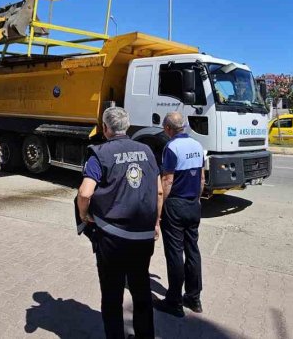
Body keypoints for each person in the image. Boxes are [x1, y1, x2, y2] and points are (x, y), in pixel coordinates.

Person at [77, 107, 163, 339]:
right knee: (141, 288)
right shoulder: (147, 151)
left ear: (105, 128)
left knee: (112, 294)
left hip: (112, 237)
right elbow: (159, 191)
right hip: (143, 236)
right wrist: (156, 223)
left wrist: (84, 215)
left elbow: (85, 193)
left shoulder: (99, 153)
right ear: (128, 125)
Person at [154, 112, 204, 318]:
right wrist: (197, 200)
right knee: (192, 250)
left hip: (175, 205)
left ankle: (174, 301)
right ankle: (194, 297)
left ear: (168, 128)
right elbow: (201, 178)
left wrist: (159, 212)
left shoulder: (171, 147)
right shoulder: (197, 145)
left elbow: (167, 181)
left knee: (175, 253)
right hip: (193, 204)